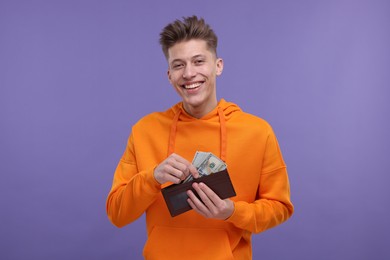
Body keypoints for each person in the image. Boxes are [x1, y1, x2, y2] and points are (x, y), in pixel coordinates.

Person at [106, 16, 294, 260]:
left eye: (198, 61)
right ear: (169, 75)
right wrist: (152, 178)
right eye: (178, 65)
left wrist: (232, 211)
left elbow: (280, 207)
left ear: (218, 66)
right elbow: (117, 214)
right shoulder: (144, 130)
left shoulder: (258, 132)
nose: (189, 73)